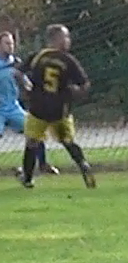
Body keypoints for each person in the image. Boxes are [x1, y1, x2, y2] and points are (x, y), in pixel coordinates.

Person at [17, 24, 95, 189]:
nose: (68, 41)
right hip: (60, 109)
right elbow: (85, 83)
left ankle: (28, 178)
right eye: (65, 37)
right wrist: (77, 93)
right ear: (56, 39)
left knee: (32, 142)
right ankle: (83, 164)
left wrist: (26, 87)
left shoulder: (37, 56)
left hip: (38, 107)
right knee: (68, 141)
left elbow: (18, 73)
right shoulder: (68, 60)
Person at [0, 32, 57, 177]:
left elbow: (27, 85)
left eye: (12, 43)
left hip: (13, 107)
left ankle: (42, 165)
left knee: (36, 131)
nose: (10, 46)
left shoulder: (17, 63)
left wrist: (30, 88)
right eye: (7, 43)